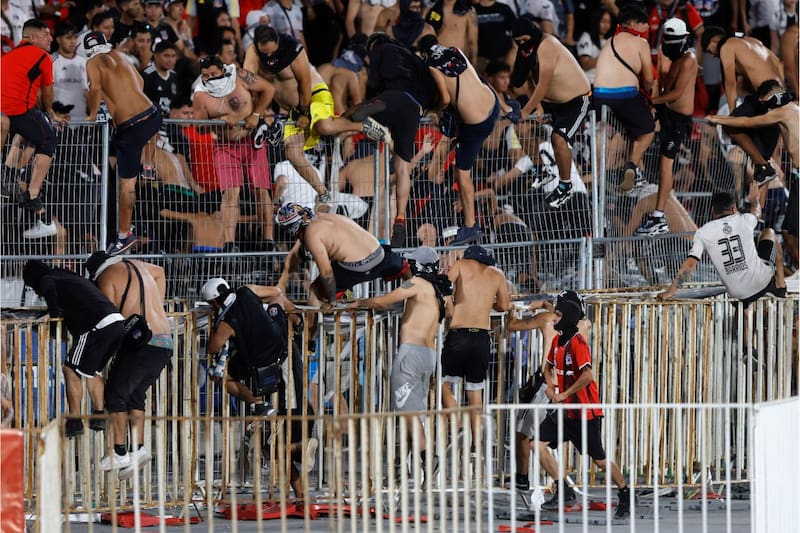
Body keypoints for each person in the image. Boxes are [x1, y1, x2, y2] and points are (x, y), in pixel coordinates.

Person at [243, 25, 389, 211]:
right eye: (265, 54)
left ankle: (364, 126)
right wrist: (255, 114)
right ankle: (323, 194)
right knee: (292, 152)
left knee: (324, 127)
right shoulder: (253, 53)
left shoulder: (292, 48)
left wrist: (305, 113)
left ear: (278, 42)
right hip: (292, 110)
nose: (270, 60)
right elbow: (250, 85)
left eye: (272, 53)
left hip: (314, 95)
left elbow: (304, 82)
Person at [200, 277, 316, 503]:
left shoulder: (227, 322)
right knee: (269, 443)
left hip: (276, 371)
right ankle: (300, 493)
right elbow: (276, 292)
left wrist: (217, 325)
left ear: (214, 303)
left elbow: (213, 347)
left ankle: (299, 447)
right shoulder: (248, 291)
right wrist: (294, 316)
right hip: (279, 361)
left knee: (275, 439)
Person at [518, 290, 632, 517]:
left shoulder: (577, 343)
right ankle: (564, 490)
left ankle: (625, 492)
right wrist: (550, 387)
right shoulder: (558, 342)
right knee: (536, 444)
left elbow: (587, 376)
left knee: (599, 460)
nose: (553, 318)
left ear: (568, 317)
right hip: (565, 411)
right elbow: (547, 367)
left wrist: (564, 393)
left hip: (585, 412)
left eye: (558, 315)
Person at [348, 246, 453, 479]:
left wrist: (358, 303)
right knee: (413, 411)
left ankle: (428, 458)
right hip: (428, 356)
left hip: (410, 355)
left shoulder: (415, 284)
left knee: (407, 414)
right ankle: (403, 467)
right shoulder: (437, 291)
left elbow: (384, 300)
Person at [83, 252, 171, 479]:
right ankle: (138, 449)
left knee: (114, 396)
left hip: (142, 342)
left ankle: (119, 451)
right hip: (165, 339)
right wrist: (156, 307)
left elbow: (107, 317)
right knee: (135, 395)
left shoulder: (106, 278)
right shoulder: (139, 265)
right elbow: (160, 273)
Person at [346, 33, 437, 246]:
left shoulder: (382, 49)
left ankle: (373, 126)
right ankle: (401, 217)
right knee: (402, 168)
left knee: (352, 114)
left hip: (393, 97)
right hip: (415, 110)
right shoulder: (414, 58)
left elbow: (375, 82)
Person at [21, 260, 125, 438]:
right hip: (116, 322)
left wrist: (53, 321)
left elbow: (48, 289)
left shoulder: (48, 279)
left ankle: (75, 421)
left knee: (70, 369)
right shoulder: (68, 276)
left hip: (96, 326)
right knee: (91, 371)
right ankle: (99, 415)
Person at [83, 31, 164, 255]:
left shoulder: (92, 61)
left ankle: (123, 234)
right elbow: (139, 82)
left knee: (126, 185)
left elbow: (95, 88)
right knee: (134, 143)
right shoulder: (120, 55)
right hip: (152, 114)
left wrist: (91, 116)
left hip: (131, 127)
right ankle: (146, 164)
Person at [707, 80, 799, 269]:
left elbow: (748, 121)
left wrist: (718, 119)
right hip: (795, 176)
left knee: (789, 232)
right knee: (789, 231)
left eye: (767, 102)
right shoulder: (793, 109)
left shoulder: (783, 111)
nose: (766, 108)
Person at [418, 35, 500, 246]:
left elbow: (444, 99)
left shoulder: (430, 66)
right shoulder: (455, 50)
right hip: (493, 105)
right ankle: (509, 109)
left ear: (423, 54)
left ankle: (471, 226)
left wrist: (434, 110)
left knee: (461, 172)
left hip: (476, 123)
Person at [192, 54, 276, 252]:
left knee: (261, 190)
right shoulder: (200, 94)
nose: (211, 77)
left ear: (222, 69)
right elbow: (199, 127)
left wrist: (256, 115)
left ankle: (268, 240)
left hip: (251, 139)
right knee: (230, 192)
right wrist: (219, 119)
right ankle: (229, 243)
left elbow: (268, 89)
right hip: (224, 145)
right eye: (206, 75)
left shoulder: (239, 76)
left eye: (214, 73)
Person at [511, 14, 591, 209]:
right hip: (551, 101)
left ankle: (565, 185)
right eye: (518, 42)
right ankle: (541, 169)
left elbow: (543, 84)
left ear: (532, 34)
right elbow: (527, 78)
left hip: (576, 100)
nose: (522, 44)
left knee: (558, 139)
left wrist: (527, 109)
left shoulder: (548, 45)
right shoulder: (525, 50)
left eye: (524, 41)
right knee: (520, 129)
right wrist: (536, 106)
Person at [658, 184, 787, 304]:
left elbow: (690, 265)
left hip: (738, 293)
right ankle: (780, 285)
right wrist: (754, 199)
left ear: (713, 212)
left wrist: (671, 291)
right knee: (769, 232)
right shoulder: (744, 220)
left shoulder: (703, 232)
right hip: (761, 284)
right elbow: (757, 212)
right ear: (733, 209)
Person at [440, 244, 510, 453]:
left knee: (440, 384)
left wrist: (450, 307)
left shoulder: (461, 265)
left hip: (459, 334)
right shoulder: (497, 274)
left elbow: (443, 285)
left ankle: (458, 422)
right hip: (481, 336)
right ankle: (476, 444)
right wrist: (491, 304)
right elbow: (504, 306)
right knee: (475, 391)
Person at [276, 202, 408, 312]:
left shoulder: (311, 234)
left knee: (315, 291)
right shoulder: (329, 217)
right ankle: (413, 297)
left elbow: (326, 273)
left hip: (357, 267)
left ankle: (309, 340)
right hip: (380, 255)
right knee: (406, 270)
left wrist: (331, 300)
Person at [635, 18, 697, 237]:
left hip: (679, 120)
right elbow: (663, 82)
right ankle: (634, 171)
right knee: (637, 126)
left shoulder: (689, 59)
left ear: (684, 39)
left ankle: (658, 217)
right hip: (666, 112)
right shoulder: (671, 52)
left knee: (665, 167)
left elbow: (676, 93)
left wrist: (653, 101)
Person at [701, 26, 785, 185]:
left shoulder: (727, 45)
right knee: (763, 162)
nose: (712, 56)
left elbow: (730, 83)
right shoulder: (753, 42)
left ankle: (764, 167)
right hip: (781, 96)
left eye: (709, 50)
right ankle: (759, 202)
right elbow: (778, 63)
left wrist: (733, 117)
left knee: (729, 126)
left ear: (714, 41)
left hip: (767, 94)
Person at [0, 19, 60, 238]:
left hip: (5, 112)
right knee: (48, 139)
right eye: (46, 34)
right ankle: (33, 195)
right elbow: (47, 92)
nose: (51, 39)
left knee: (28, 134)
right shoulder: (42, 56)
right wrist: (50, 112)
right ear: (32, 37)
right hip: (17, 111)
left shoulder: (8, 56)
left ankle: (7, 174)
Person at [592, 5, 655, 193]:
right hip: (625, 96)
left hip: (599, 96)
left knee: (629, 130)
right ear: (634, 23)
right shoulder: (641, 43)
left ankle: (619, 171)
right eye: (644, 23)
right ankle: (632, 167)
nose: (647, 27)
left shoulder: (609, 41)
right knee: (648, 129)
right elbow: (649, 79)